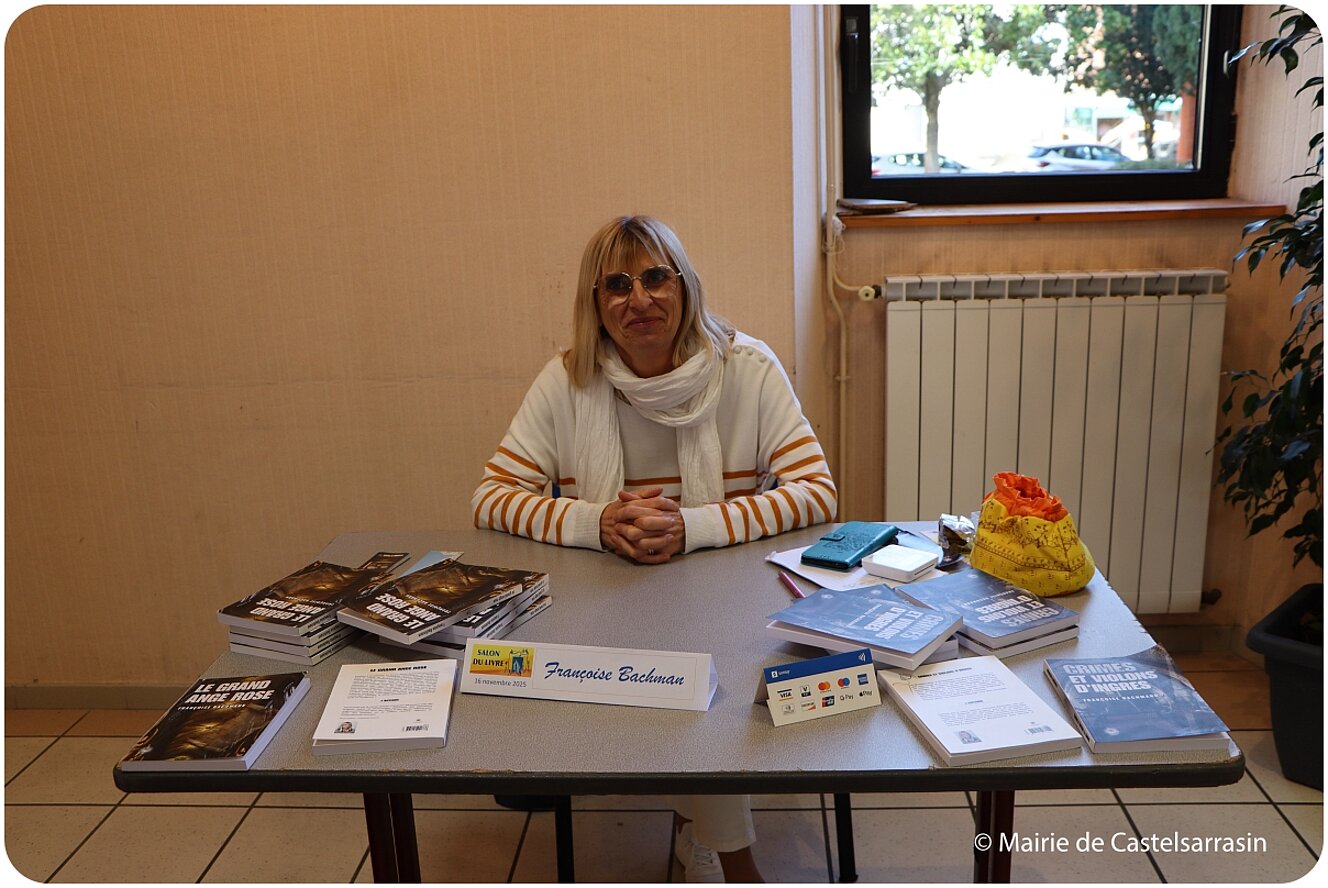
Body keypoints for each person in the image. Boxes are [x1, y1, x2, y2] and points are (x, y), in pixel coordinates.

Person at [472, 215, 837, 882]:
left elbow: (816, 493)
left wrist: (692, 527)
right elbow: (491, 498)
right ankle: (721, 850)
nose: (638, 299)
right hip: (604, 605)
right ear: (595, 304)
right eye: (616, 284)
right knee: (681, 677)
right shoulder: (567, 380)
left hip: (724, 599)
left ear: (684, 287)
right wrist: (598, 523)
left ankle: (722, 850)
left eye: (654, 277)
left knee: (706, 668)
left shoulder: (747, 368)